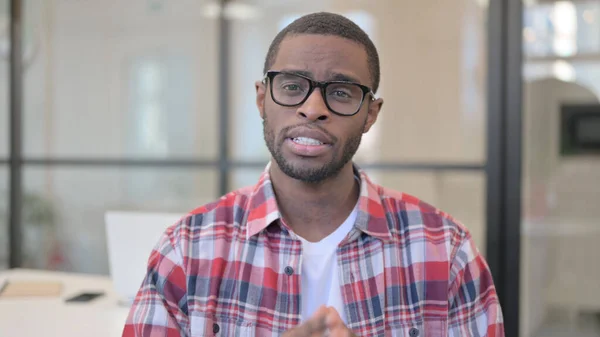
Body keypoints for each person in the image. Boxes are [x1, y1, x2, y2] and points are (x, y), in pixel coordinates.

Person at [122, 12, 504, 337]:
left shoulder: (446, 252)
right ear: (261, 99)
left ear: (370, 113)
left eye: (340, 92)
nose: (312, 108)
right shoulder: (187, 251)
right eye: (292, 86)